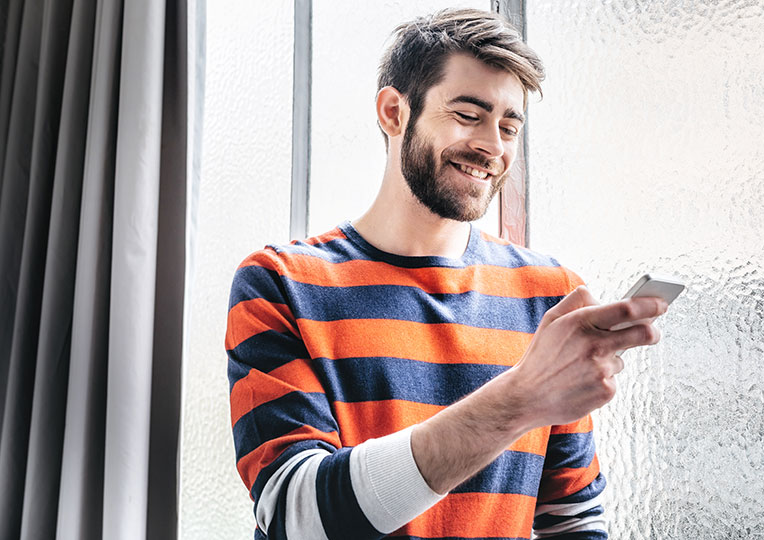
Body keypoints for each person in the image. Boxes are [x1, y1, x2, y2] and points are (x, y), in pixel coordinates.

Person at [226, 8, 666, 540]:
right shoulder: (280, 284)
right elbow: (297, 519)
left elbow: (571, 523)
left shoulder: (549, 296)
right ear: (393, 112)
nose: (494, 146)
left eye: (509, 125)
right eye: (467, 115)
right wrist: (518, 399)